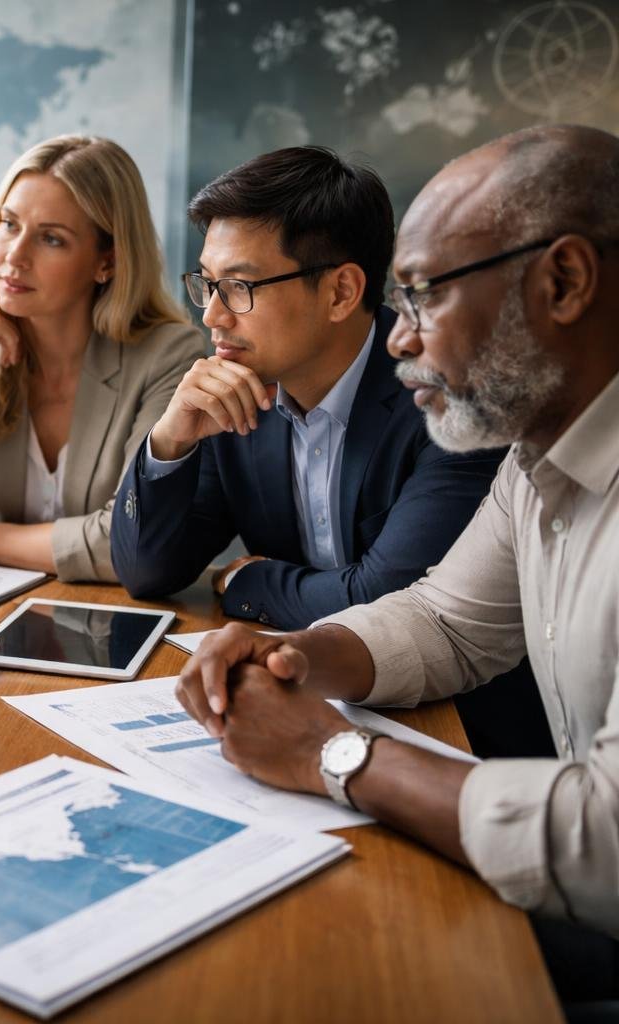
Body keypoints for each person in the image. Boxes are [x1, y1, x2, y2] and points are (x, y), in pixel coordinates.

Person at [175, 126, 619, 995]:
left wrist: (334, 756)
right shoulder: (539, 460)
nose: (396, 341)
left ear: (563, 281)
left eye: (420, 298)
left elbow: (604, 841)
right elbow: (445, 620)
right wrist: (301, 652)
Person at [111, 146, 504, 628]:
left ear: (341, 292)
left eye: (239, 287)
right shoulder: (234, 395)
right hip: (297, 682)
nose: (212, 315)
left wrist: (247, 584)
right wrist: (169, 442)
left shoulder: (446, 395)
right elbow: (145, 574)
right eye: (208, 284)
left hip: (439, 701)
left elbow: (389, 602)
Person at [0, 135, 202, 581]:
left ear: (108, 262)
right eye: (8, 224)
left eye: (51, 239)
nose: (14, 256)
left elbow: (127, 544)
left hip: (110, 621)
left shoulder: (167, 356)